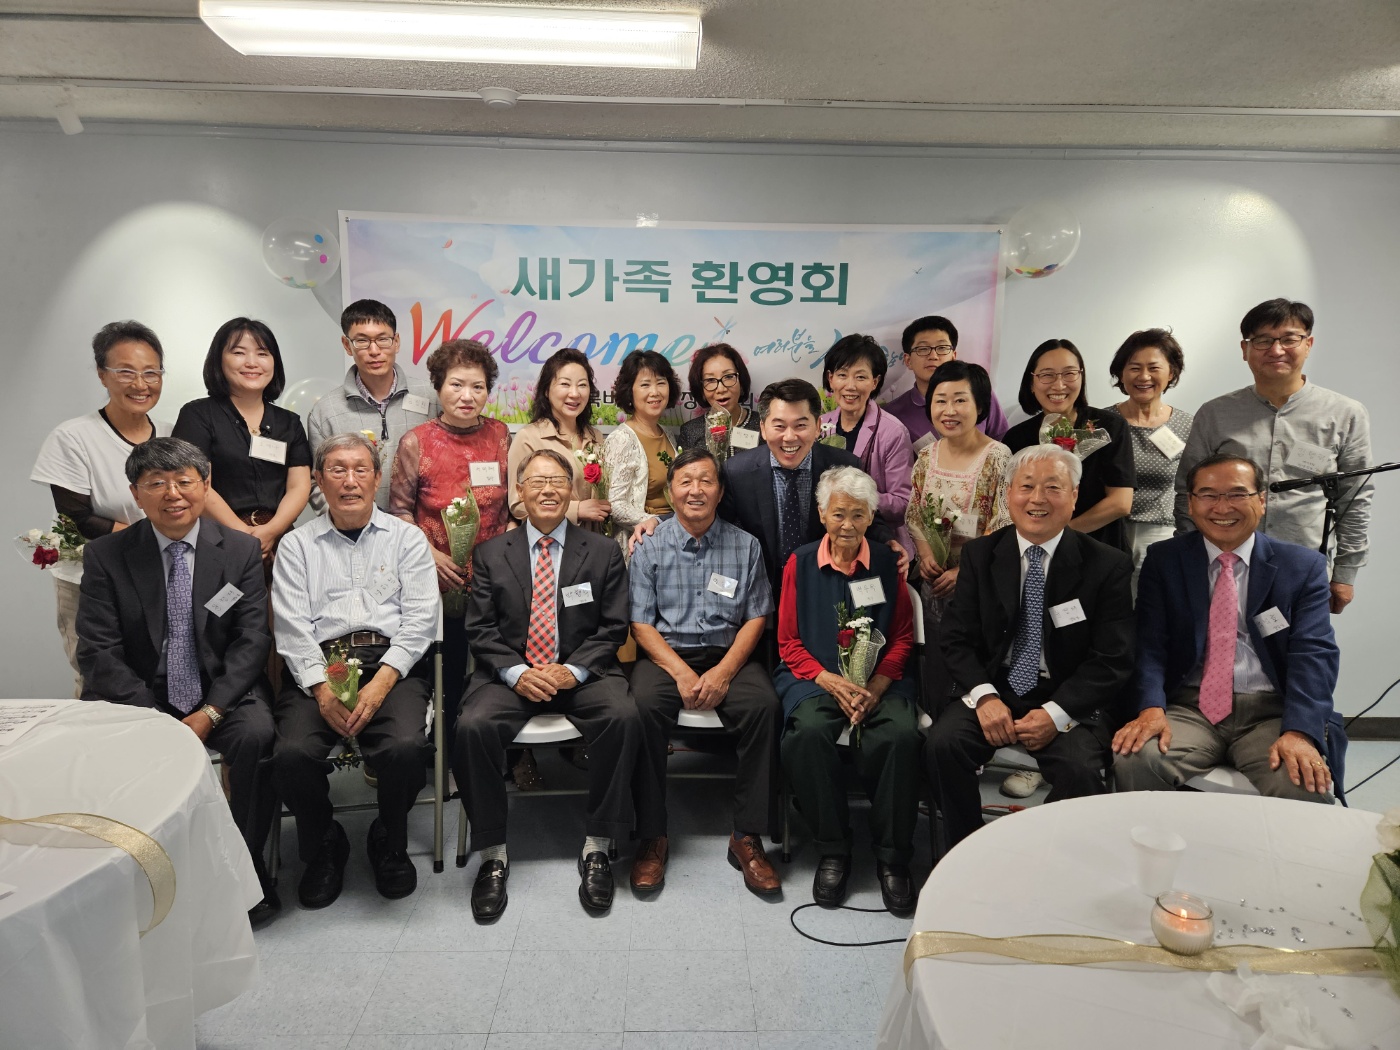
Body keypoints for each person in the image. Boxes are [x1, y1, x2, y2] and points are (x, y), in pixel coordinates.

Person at [75, 437, 278, 923]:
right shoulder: (106, 555)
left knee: (257, 736)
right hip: (141, 695)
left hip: (219, 692)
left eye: (185, 481)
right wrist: (155, 717)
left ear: (205, 486)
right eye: (157, 483)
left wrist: (211, 711)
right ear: (135, 493)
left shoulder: (240, 550)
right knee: (115, 749)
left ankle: (246, 865)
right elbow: (98, 651)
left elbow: (251, 640)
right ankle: (150, 872)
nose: (173, 494)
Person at [455, 448, 642, 921]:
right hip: (511, 674)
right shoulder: (491, 553)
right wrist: (518, 673)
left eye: (557, 481)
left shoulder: (602, 552)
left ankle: (598, 845)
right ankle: (492, 853)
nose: (547, 490)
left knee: (623, 716)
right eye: (536, 482)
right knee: (472, 726)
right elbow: (480, 630)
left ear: (573, 489)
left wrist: (572, 670)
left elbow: (613, 627)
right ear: (520, 491)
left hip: (579, 672)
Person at [925, 445, 1135, 848]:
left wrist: (1055, 714)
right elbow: (955, 638)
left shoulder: (1107, 565)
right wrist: (985, 697)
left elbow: (1112, 658)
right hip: (995, 686)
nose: (1038, 498)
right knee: (942, 746)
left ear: (1074, 496)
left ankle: (1045, 855)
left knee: (1081, 771)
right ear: (1009, 495)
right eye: (1026, 486)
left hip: (1066, 694)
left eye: (1053, 487)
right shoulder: (981, 555)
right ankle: (967, 848)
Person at [271, 433, 438, 907]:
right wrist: (322, 690)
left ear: (377, 478)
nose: (350, 481)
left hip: (391, 663)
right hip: (320, 665)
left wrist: (384, 679)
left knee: (405, 748)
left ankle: (389, 837)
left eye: (361, 470)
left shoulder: (407, 539)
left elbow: (421, 618)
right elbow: (292, 627)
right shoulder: (297, 546)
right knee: (290, 754)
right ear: (319, 481)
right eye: (337, 470)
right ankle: (324, 841)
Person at [1114, 454, 1340, 802]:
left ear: (1261, 500)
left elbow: (1313, 654)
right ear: (1191, 503)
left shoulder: (1302, 566)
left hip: (1271, 713)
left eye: (1237, 494)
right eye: (1208, 494)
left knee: (1301, 782)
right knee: (1135, 759)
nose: (1222, 507)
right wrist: (1151, 708)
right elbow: (1149, 644)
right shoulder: (1165, 560)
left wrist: (1299, 731)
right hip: (1189, 707)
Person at [628, 448, 783, 897]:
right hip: (666, 654)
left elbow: (757, 617)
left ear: (720, 491)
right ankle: (652, 835)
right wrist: (680, 673)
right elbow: (640, 623)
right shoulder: (649, 545)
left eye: (706, 481)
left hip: (728, 652)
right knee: (639, 708)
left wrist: (724, 672)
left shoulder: (746, 545)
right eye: (685, 481)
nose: (695, 490)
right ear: (670, 492)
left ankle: (747, 835)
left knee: (764, 707)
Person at [774, 466, 919, 914]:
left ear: (872, 516)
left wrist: (876, 685)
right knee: (807, 734)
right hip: (813, 677)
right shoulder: (800, 563)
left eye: (859, 514)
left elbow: (902, 637)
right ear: (822, 514)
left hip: (879, 680)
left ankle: (893, 857)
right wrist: (828, 679)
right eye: (838, 514)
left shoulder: (887, 564)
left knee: (899, 736)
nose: (848, 525)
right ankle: (833, 847)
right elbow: (788, 641)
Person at [1173, 299, 1371, 616]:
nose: (1276, 350)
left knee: (1301, 644)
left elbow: (1355, 498)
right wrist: (1191, 558)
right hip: (1224, 563)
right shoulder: (1215, 413)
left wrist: (1345, 572)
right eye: (1263, 340)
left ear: (1308, 344)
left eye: (1289, 339)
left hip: (1304, 564)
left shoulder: (1345, 414)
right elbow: (1187, 491)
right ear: (1245, 349)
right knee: (1221, 642)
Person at [31, 320, 173, 695]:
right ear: (101, 374)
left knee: (157, 678)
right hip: (89, 580)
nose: (140, 384)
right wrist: (153, 543)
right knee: (99, 682)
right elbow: (78, 518)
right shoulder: (73, 436)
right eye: (125, 372)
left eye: (151, 372)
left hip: (156, 576)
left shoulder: (174, 433)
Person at [390, 339, 512, 718]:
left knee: (497, 672)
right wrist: (431, 555)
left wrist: (505, 552)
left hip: (495, 578)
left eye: (478, 387)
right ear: (439, 386)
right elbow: (398, 511)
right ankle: (446, 741)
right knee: (448, 672)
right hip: (439, 578)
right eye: (457, 385)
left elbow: (511, 505)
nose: (467, 396)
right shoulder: (417, 442)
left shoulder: (500, 434)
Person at [715, 378, 902, 600]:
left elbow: (866, 516)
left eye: (800, 425)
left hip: (825, 587)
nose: (789, 437)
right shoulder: (737, 472)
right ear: (763, 428)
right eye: (779, 426)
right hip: (762, 591)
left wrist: (888, 541)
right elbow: (724, 534)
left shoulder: (843, 465)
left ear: (817, 426)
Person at [905, 361, 1012, 710]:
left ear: (980, 405)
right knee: (936, 661)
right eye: (940, 400)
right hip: (934, 581)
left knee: (973, 667)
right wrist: (927, 557)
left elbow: (1003, 523)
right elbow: (915, 514)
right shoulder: (926, 456)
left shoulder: (998, 457)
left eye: (960, 400)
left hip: (978, 585)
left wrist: (964, 570)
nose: (949, 411)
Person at [172, 317, 312, 573]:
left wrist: (272, 531)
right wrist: (244, 535)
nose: (252, 362)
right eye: (238, 352)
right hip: (217, 539)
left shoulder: (289, 422)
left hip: (280, 542)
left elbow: (299, 486)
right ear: (219, 360)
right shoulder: (197, 415)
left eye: (262, 353)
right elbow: (196, 483)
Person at [1001, 338, 1135, 553]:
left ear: (1081, 377)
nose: (1059, 385)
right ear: (1031, 383)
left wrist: (1060, 535)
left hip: (1099, 549)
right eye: (1047, 375)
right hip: (1036, 551)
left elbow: (1120, 503)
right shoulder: (1017, 438)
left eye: (1069, 374)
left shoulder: (1109, 427)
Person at [305, 299, 434, 510]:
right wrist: (351, 520)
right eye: (362, 341)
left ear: (396, 342)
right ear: (347, 345)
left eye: (383, 339)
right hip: (355, 527)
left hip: (422, 526)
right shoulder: (325, 411)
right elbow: (317, 483)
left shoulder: (432, 397)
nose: (374, 350)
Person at [1101, 329, 1193, 592]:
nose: (1143, 377)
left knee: (1153, 606)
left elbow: (1191, 488)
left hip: (1162, 533)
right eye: (1134, 368)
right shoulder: (1101, 423)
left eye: (1153, 368)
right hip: (1108, 531)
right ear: (1121, 374)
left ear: (1171, 373)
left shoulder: (1187, 425)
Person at [819, 334, 914, 551]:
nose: (850, 386)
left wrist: (855, 500)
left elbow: (903, 502)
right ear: (831, 379)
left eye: (860, 377)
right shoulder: (822, 424)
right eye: (842, 375)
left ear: (875, 382)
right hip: (830, 542)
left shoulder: (892, 432)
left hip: (880, 542)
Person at [506, 347, 611, 532]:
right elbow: (518, 505)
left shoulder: (596, 437)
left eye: (582, 385)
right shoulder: (528, 438)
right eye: (565, 384)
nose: (575, 393)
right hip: (550, 539)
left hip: (596, 539)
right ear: (547, 390)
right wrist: (576, 510)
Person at [883, 315, 1010, 448]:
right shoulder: (893, 415)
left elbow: (1002, 441)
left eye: (942, 348)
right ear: (908, 360)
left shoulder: (979, 393)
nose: (933, 356)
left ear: (953, 356)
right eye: (923, 349)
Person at [604, 349, 680, 551]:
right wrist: (656, 521)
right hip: (644, 541)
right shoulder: (622, 439)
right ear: (630, 391)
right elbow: (615, 504)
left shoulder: (667, 433)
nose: (655, 392)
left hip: (675, 534)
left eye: (661, 383)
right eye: (645, 385)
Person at [676, 342, 763, 454]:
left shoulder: (763, 424)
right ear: (701, 390)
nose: (721, 389)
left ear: (741, 383)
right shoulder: (690, 431)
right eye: (710, 380)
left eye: (728, 377)